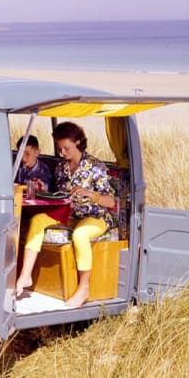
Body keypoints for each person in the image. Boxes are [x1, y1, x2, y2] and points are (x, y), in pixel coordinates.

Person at [15, 122, 115, 308]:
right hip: (70, 214)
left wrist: (91, 195)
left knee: (80, 234)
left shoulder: (95, 166)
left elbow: (110, 201)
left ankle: (84, 288)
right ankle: (25, 275)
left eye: (66, 148)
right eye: (60, 149)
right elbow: (59, 193)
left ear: (78, 142)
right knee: (37, 221)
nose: (62, 153)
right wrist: (43, 189)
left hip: (96, 216)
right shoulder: (61, 167)